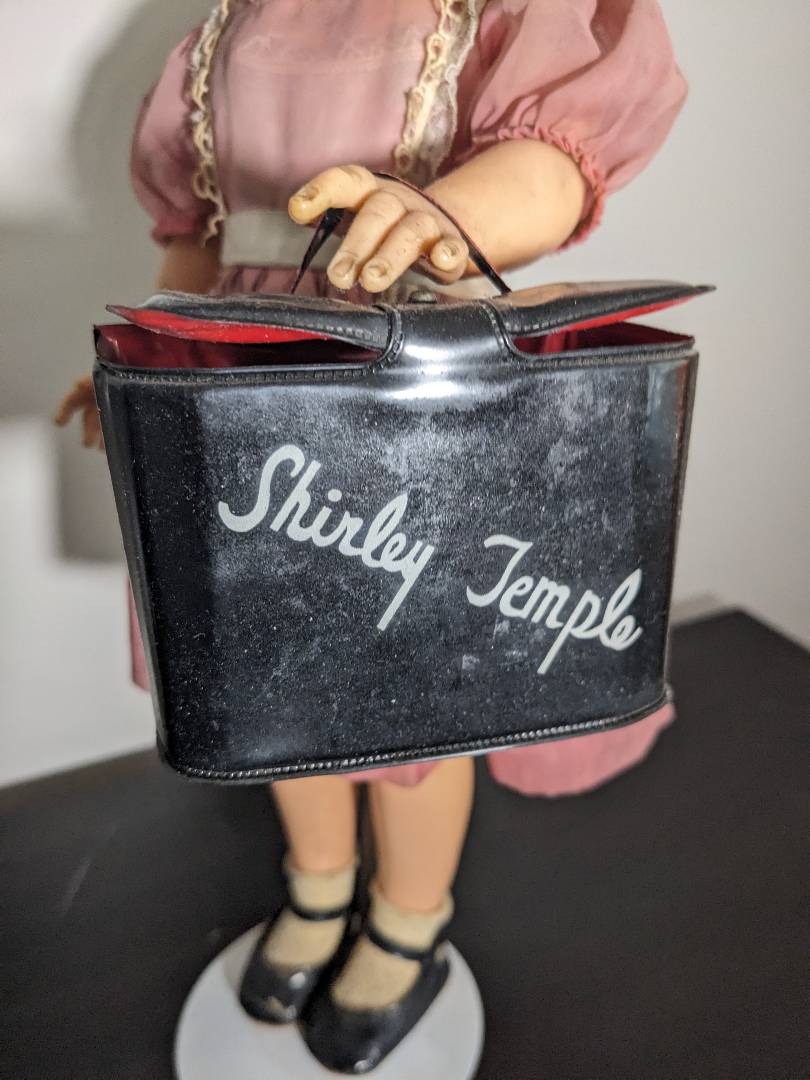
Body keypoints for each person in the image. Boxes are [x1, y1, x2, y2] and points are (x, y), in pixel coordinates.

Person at [55, 1, 687, 1072]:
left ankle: (407, 918)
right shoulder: (224, 28)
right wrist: (146, 365)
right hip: (250, 392)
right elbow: (197, 237)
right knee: (272, 677)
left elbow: (555, 164)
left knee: (412, 691)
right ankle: (317, 887)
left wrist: (444, 213)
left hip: (405, 397)